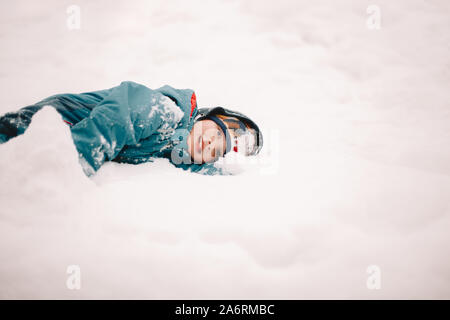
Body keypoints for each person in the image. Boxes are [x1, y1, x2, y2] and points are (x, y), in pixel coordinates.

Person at [0, 81, 263, 176]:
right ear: (204, 117)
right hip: (50, 122)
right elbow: (115, 119)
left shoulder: (175, 151)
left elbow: (208, 172)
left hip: (46, 137)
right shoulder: (167, 110)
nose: (209, 143)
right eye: (215, 133)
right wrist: (69, 164)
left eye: (216, 150)